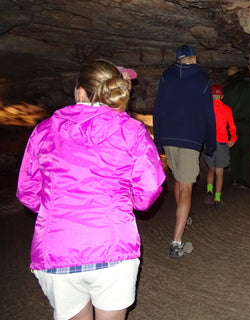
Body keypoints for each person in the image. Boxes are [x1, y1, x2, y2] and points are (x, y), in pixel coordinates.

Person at [16, 59, 165, 320]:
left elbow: (27, 192)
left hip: (57, 249)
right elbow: (147, 193)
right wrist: (121, 200)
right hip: (113, 247)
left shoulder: (43, 131)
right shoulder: (132, 131)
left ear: (80, 91)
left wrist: (58, 206)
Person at [153, 45, 216, 258]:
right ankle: (176, 243)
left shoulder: (166, 77)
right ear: (194, 58)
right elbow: (209, 114)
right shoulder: (202, 79)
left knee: (179, 180)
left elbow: (159, 108)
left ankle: (183, 216)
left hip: (169, 137)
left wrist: (159, 141)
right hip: (191, 137)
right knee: (187, 187)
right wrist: (211, 142)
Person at [222, 67, 250, 190]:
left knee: (234, 151)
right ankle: (244, 179)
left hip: (231, 126)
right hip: (247, 125)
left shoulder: (226, 91)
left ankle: (235, 178)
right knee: (246, 152)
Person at [204, 84, 237, 207]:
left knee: (211, 169)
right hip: (222, 142)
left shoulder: (206, 109)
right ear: (222, 96)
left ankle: (209, 191)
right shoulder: (227, 109)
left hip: (209, 142)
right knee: (220, 172)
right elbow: (232, 127)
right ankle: (217, 198)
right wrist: (233, 139)